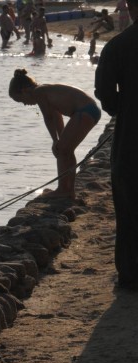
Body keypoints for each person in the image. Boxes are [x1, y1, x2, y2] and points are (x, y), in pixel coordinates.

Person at [95, 0, 138, 288]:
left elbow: (105, 93)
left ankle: (132, 276)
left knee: (129, 208)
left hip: (131, 139)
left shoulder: (118, 46)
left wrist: (124, 108)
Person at [9, 68, 101, 199]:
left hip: (85, 111)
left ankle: (64, 190)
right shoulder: (44, 91)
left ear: (24, 91)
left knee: (63, 150)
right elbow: (57, 116)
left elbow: (49, 118)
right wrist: (60, 138)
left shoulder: (38, 92)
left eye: (21, 100)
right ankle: (68, 190)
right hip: (89, 110)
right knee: (65, 150)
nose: (24, 104)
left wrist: (55, 140)